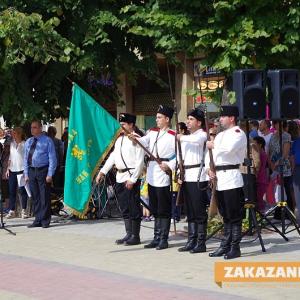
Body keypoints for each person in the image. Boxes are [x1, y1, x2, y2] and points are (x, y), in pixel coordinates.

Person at [96, 113, 145, 245]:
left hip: (130, 177)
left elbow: (140, 162)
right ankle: (128, 233)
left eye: (124, 124)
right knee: (124, 207)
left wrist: (133, 179)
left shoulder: (137, 139)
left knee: (133, 207)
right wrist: (102, 172)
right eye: (121, 125)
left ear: (131, 125)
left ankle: (136, 236)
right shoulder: (119, 140)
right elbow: (113, 157)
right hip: (120, 176)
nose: (121, 127)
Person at [206, 106, 247, 259]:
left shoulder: (238, 133)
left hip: (231, 177)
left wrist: (213, 144)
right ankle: (225, 245)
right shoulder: (220, 135)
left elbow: (229, 149)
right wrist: (208, 169)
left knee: (234, 215)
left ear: (232, 118)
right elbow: (210, 154)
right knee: (225, 214)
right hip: (219, 178)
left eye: (223, 116)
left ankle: (235, 247)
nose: (220, 119)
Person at [134, 105, 176, 250]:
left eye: (159, 117)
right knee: (155, 207)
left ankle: (163, 238)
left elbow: (179, 156)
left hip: (163, 173)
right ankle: (156, 237)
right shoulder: (152, 132)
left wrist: (170, 165)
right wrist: (135, 138)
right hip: (151, 173)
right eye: (156, 117)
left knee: (163, 208)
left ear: (167, 119)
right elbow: (144, 142)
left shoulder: (173, 135)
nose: (156, 120)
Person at [177, 108, 209, 254]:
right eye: (188, 119)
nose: (188, 122)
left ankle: (201, 242)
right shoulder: (186, 137)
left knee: (199, 210)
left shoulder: (202, 135)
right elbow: (180, 157)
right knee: (190, 210)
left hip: (198, 175)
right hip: (186, 175)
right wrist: (179, 172)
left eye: (191, 119)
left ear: (199, 122)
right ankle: (191, 240)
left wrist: (180, 137)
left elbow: (196, 140)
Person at [24, 120, 57, 228]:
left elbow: (53, 158)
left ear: (40, 128)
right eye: (31, 127)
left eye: (34, 127)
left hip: (43, 170)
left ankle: (45, 220)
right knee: (35, 196)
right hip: (32, 170)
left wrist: (50, 174)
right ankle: (37, 219)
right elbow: (25, 158)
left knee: (44, 196)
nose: (32, 129)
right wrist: (26, 173)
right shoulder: (29, 141)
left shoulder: (47, 141)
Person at [268, 120, 294, 218]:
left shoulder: (286, 135)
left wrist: (277, 163)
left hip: (284, 167)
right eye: (274, 123)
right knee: (277, 191)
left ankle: (289, 215)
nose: (275, 125)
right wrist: (271, 164)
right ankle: (278, 214)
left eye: (277, 123)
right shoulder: (273, 136)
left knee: (286, 189)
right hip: (274, 166)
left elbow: (285, 153)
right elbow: (270, 151)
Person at [5, 127, 28, 219]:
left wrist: (26, 172)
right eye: (12, 133)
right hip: (12, 170)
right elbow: (10, 157)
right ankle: (12, 210)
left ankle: (24, 210)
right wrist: (7, 169)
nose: (12, 135)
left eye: (14, 133)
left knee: (23, 191)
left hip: (22, 170)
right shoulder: (12, 144)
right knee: (11, 191)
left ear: (19, 134)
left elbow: (27, 158)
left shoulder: (25, 144)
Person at [253, 136, 269, 213]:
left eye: (254, 144)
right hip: (262, 178)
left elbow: (259, 166)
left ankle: (261, 216)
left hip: (260, 179)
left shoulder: (261, 154)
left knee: (260, 200)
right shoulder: (262, 153)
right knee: (260, 199)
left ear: (260, 144)